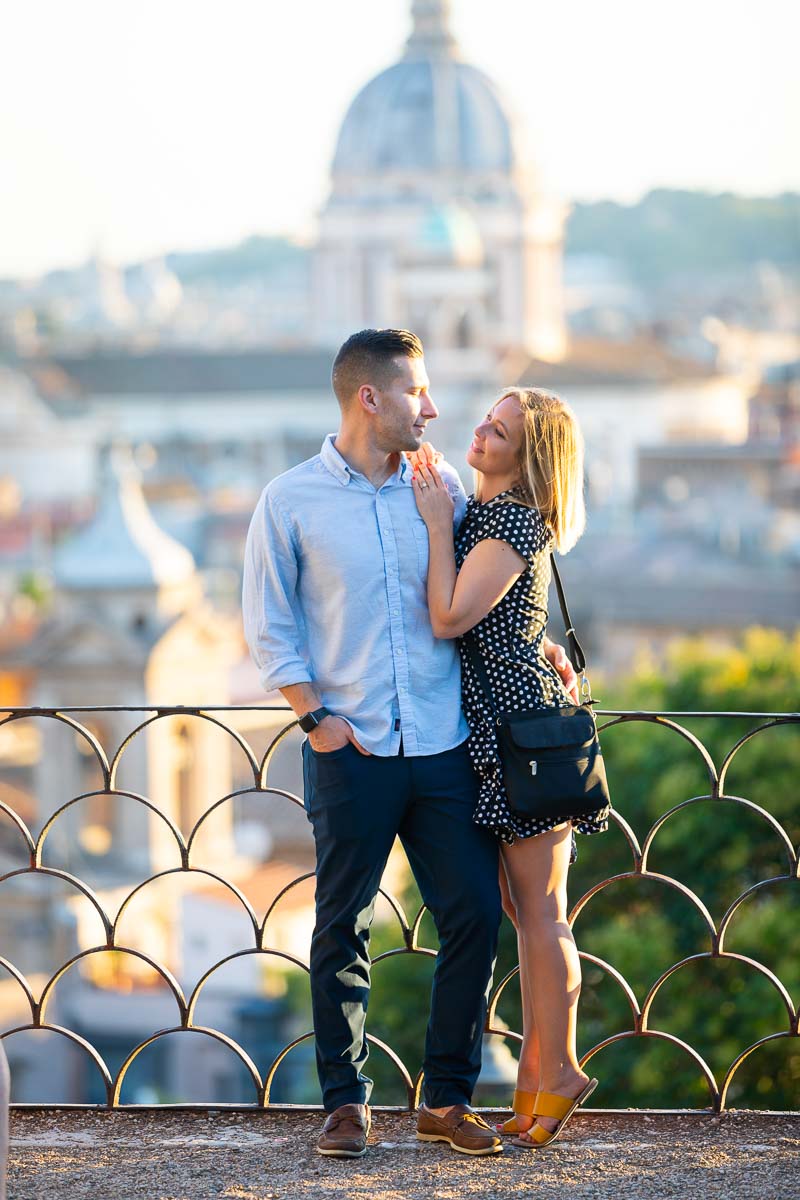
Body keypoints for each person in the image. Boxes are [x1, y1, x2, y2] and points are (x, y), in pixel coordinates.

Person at [242, 330, 576, 1159]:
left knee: (470, 915)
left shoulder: (444, 486)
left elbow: (480, 598)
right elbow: (269, 624)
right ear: (370, 398)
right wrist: (315, 718)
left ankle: (447, 1099)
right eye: (418, 393)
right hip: (349, 748)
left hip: (444, 744)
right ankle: (345, 1105)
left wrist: (536, 647)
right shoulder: (289, 501)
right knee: (341, 925)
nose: (433, 408)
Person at [410, 387, 609, 1150]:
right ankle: (537, 1083)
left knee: (542, 915)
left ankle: (555, 1073)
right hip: (504, 732)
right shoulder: (496, 517)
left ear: (530, 460)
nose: (482, 432)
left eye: (502, 431)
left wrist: (434, 527)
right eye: (488, 420)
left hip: (519, 734)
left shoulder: (507, 519)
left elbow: (449, 617)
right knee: (530, 916)